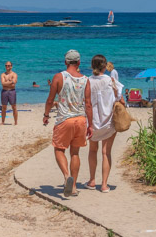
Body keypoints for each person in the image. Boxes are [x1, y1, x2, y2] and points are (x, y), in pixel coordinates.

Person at [43, 50, 92, 197]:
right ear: (79, 62)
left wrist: (46, 115)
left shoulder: (59, 77)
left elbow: (50, 100)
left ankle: (66, 176)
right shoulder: (86, 80)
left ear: (65, 62)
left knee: (59, 149)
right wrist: (91, 125)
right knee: (75, 153)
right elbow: (88, 104)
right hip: (80, 120)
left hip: (65, 119)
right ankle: (74, 187)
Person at [86, 54, 123, 193]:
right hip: (108, 121)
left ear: (92, 66)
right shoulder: (110, 80)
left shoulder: (87, 81)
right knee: (106, 152)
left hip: (93, 121)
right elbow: (120, 98)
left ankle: (92, 180)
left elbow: (85, 101)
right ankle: (104, 185)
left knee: (92, 150)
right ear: (105, 66)